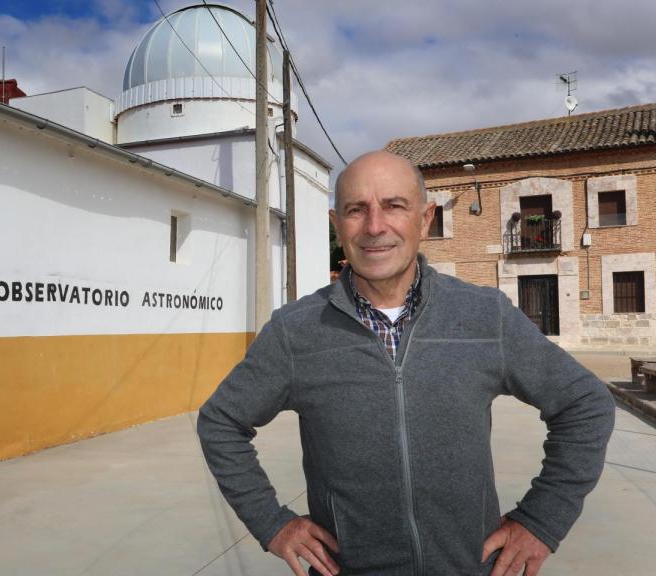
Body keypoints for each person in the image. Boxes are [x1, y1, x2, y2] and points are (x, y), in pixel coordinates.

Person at [197, 151, 615, 576]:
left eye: (394, 205)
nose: (375, 226)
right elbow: (220, 422)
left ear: (425, 217)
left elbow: (585, 405)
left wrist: (542, 520)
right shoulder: (295, 331)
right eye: (356, 210)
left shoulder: (485, 315)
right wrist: (272, 523)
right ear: (336, 224)